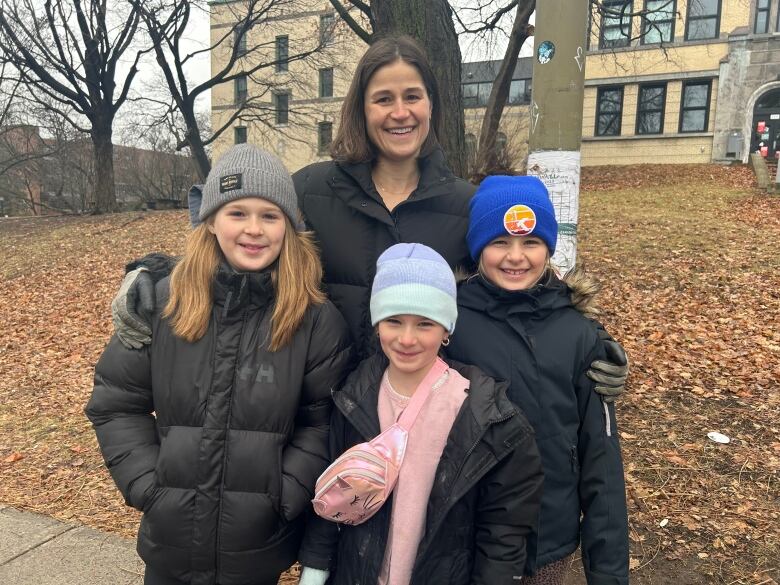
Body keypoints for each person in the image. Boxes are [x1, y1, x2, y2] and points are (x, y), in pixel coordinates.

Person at [108, 35, 628, 406]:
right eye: (383, 98)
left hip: (420, 410)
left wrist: (592, 340)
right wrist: (154, 276)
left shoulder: (467, 205)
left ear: (432, 105)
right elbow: (242, 237)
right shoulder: (312, 188)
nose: (399, 112)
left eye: (412, 96)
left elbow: (524, 281)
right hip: (319, 407)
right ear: (361, 107)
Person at [85, 145, 354, 585]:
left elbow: (324, 423)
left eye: (270, 215)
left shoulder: (314, 320)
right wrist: (149, 487)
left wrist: (282, 494)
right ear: (210, 220)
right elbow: (116, 403)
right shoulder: (163, 304)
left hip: (257, 548)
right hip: (169, 544)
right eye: (237, 213)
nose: (254, 229)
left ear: (289, 226)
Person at [297, 243, 544, 585]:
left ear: (447, 330)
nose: (407, 338)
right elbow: (333, 492)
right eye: (394, 321)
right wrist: (315, 567)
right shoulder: (353, 397)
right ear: (377, 323)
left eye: (425, 324)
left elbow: (503, 526)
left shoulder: (484, 414)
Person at [446, 176, 629, 585]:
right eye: (499, 242)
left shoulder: (579, 334)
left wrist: (609, 574)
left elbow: (601, 461)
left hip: (548, 539)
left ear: (548, 247)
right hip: (467, 539)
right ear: (478, 249)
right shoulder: (449, 325)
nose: (516, 257)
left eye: (530, 242)